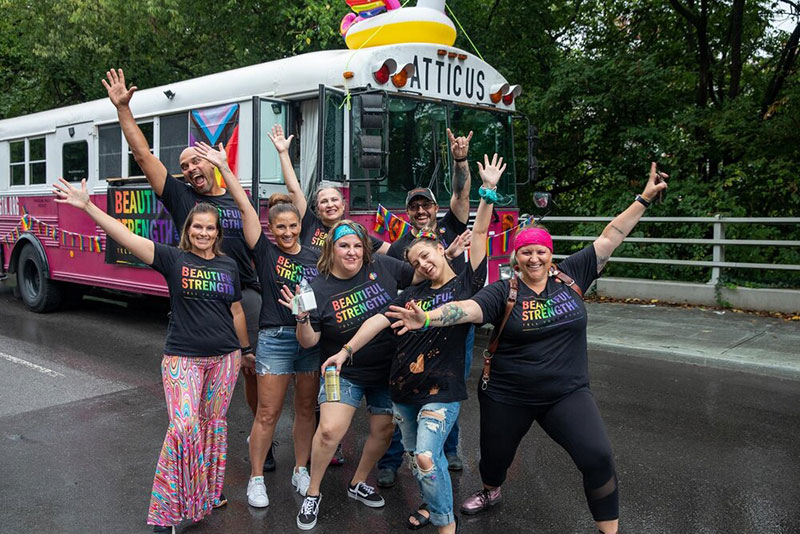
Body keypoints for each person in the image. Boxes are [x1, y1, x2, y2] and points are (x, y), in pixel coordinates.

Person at [386, 164, 670, 534]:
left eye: (540, 251)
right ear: (515, 258)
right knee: (495, 460)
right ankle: (491, 489)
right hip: (507, 395)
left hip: (566, 393)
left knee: (598, 457)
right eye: (526, 253)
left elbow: (612, 234)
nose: (534, 258)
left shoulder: (573, 275)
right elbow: (467, 309)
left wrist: (644, 198)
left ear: (550, 254)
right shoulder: (503, 292)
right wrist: (426, 318)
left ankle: (609, 530)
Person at [101, 69, 277, 470]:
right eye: (184, 165)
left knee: (252, 370)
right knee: (204, 373)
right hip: (202, 294)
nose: (190, 168)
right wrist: (123, 110)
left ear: (212, 160)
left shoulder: (237, 197)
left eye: (196, 159)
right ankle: (199, 442)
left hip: (244, 293)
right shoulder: (183, 198)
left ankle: (261, 438)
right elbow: (144, 157)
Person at [322, 153, 505, 533]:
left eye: (425, 255)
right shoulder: (411, 293)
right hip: (404, 391)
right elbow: (377, 319)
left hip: (441, 390)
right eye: (415, 261)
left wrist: (487, 192)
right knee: (419, 460)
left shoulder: (466, 283)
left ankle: (445, 523)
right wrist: (345, 351)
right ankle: (431, 505)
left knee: (425, 456)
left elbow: (480, 235)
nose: (422, 264)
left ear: (441, 248)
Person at [53, 179, 247, 533]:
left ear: (218, 233)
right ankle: (167, 513)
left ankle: (206, 493)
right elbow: (126, 237)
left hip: (225, 358)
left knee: (211, 426)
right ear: (188, 230)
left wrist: (245, 351)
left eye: (210, 228)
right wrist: (88, 206)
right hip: (183, 358)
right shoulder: (173, 259)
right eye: (198, 227)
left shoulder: (228, 265)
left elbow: (235, 310)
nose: (204, 233)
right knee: (184, 427)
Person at [192, 142, 320, 508]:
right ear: (271, 228)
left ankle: (300, 469)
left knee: (306, 409)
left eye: (293, 225)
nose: (287, 232)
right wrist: (224, 168)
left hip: (310, 339)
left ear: (300, 226)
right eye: (280, 227)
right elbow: (246, 207)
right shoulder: (264, 251)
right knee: (267, 413)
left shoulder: (316, 255)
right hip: (275, 338)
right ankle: (256, 478)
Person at [287, 220, 424, 530]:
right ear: (331, 249)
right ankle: (313, 492)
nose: (352, 252)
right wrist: (302, 319)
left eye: (357, 246)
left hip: (387, 368)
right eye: (344, 245)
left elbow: (420, 275)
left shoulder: (383, 266)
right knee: (329, 431)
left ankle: (358, 482)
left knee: (384, 431)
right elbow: (308, 342)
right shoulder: (316, 287)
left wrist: (445, 254)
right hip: (342, 370)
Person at [379, 128, 474, 487]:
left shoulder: (452, 226)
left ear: (436, 208)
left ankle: (449, 449)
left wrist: (460, 160)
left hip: (455, 326)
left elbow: (461, 193)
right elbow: (398, 284)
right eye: (414, 206)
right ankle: (391, 460)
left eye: (426, 205)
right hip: (415, 330)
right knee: (404, 391)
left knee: (449, 388)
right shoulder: (401, 245)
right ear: (408, 212)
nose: (421, 210)